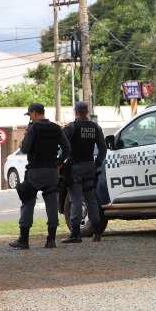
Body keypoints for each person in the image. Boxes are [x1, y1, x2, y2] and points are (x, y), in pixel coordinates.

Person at [9, 103, 70, 250]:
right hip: (51, 172)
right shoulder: (56, 128)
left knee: (28, 201)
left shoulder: (33, 128)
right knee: (52, 205)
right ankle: (51, 240)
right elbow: (67, 148)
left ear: (35, 113)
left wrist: (26, 136)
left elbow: (24, 149)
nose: (30, 117)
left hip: (35, 171)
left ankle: (24, 240)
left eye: (30, 114)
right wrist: (59, 162)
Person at [61, 102, 107, 243]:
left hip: (75, 167)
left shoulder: (72, 127)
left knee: (76, 199)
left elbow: (63, 145)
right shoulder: (95, 127)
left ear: (76, 111)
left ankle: (75, 234)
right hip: (90, 166)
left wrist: (60, 161)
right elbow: (103, 148)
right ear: (87, 111)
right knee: (91, 199)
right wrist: (97, 163)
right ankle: (97, 232)